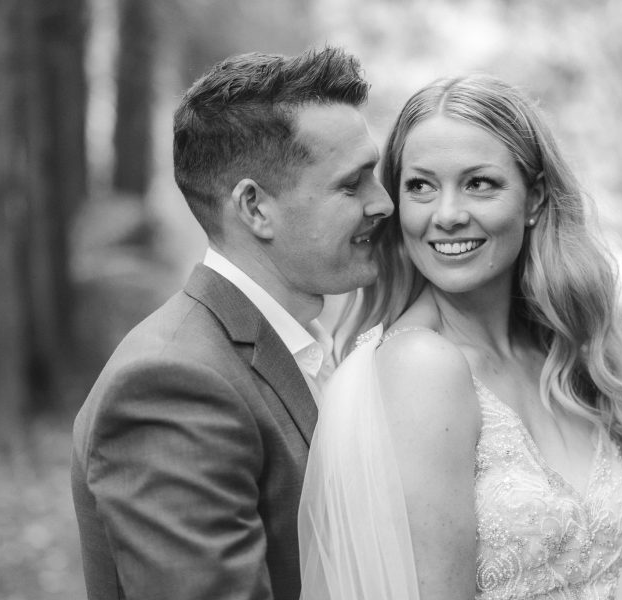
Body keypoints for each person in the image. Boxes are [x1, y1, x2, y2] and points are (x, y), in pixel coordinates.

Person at [298, 74, 622, 600]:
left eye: (479, 183)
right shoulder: (420, 366)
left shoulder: (556, 353)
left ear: (534, 200)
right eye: (421, 186)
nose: (448, 215)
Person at [71, 47, 393, 600]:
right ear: (255, 207)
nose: (383, 202)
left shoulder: (307, 346)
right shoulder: (171, 383)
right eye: (352, 184)